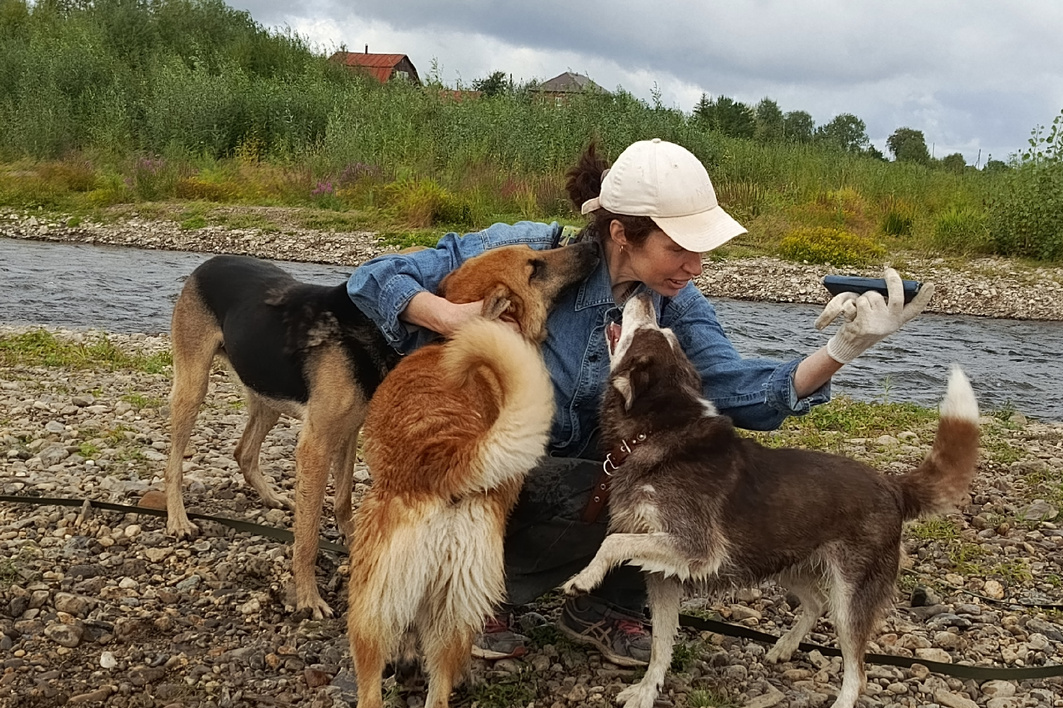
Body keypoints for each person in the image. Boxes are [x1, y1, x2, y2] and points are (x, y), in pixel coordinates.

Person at [345, 137, 929, 667]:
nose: (696, 267)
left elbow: (732, 389)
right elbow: (373, 277)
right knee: (578, 480)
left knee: (655, 471)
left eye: (700, 250)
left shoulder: (675, 301)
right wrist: (451, 316)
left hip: (589, 482)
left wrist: (841, 350)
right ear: (623, 233)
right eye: (680, 248)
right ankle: (478, 594)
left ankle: (600, 604)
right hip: (490, 473)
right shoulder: (527, 255)